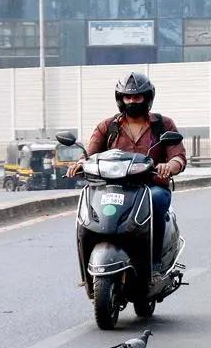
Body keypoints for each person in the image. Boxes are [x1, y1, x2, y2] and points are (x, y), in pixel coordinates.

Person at [69, 72, 187, 265]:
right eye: (128, 97)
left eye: (137, 97)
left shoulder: (163, 125)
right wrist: (79, 164)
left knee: (155, 201)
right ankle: (87, 267)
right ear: (120, 99)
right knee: (88, 209)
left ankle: (154, 263)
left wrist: (169, 166)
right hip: (112, 188)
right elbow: (89, 156)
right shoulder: (107, 127)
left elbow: (178, 156)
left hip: (150, 187)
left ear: (147, 98)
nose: (132, 101)